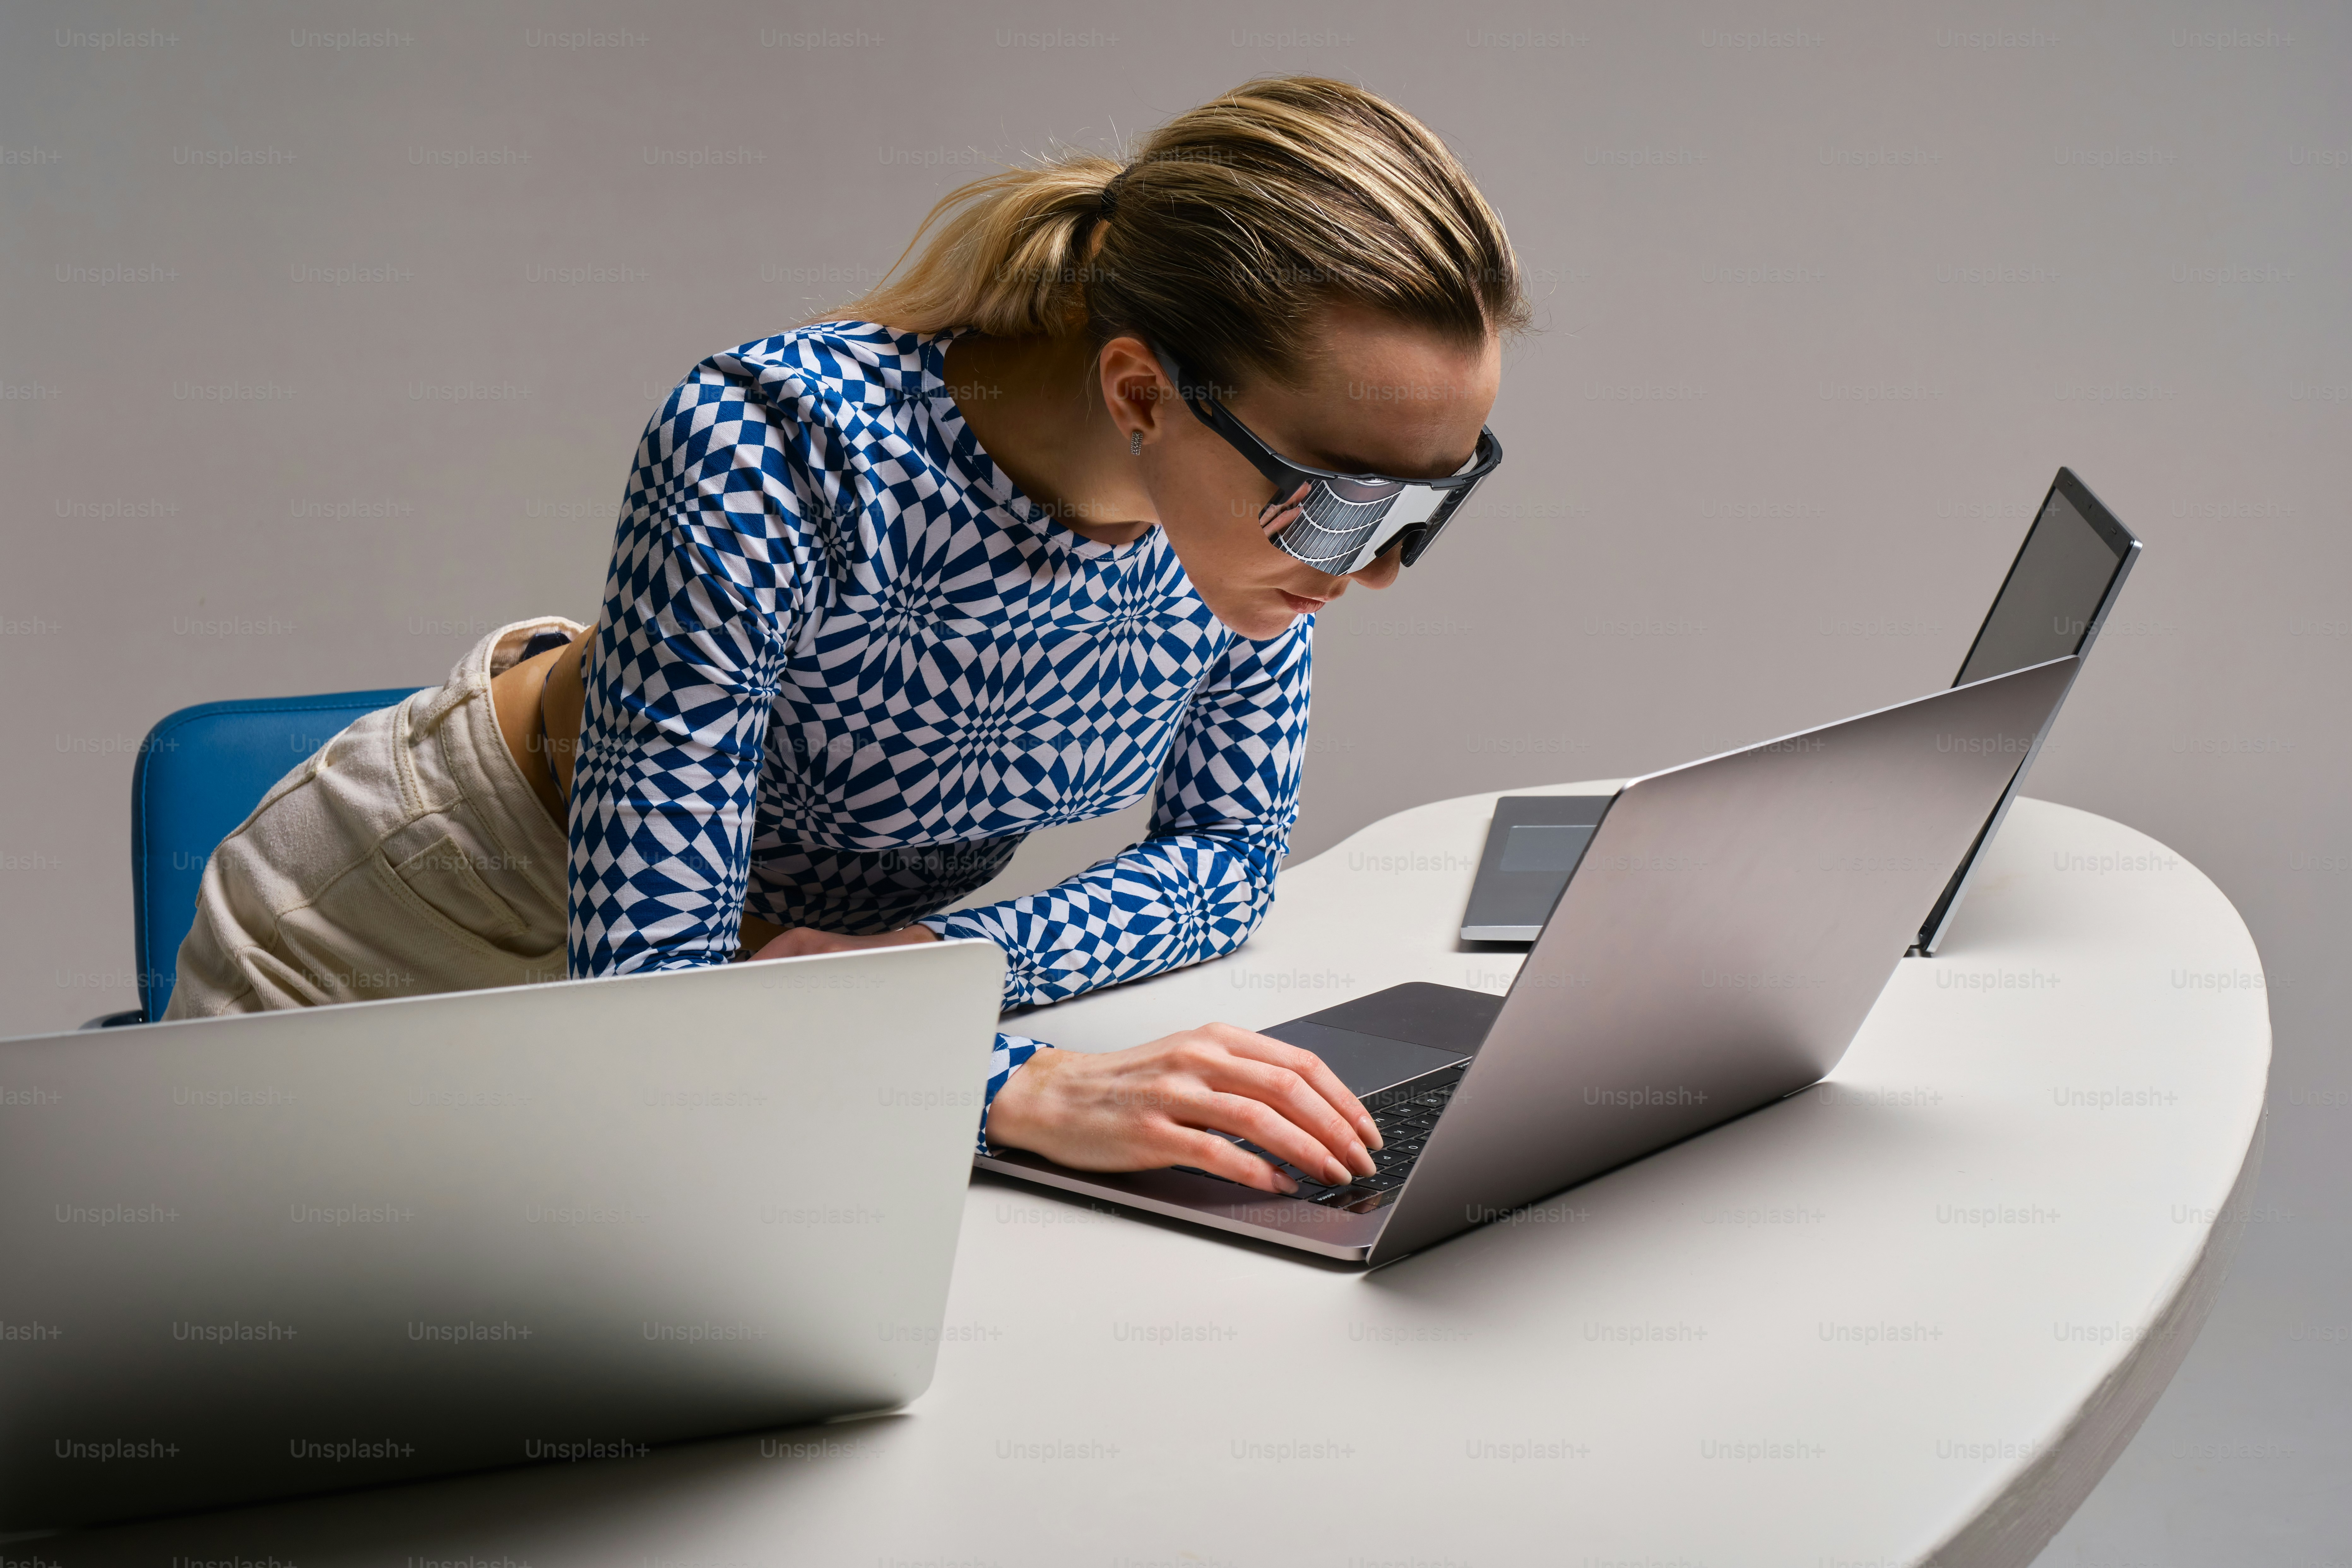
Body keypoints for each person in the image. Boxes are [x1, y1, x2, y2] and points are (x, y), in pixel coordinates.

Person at [167, 75, 1525, 1196]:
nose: (1383, 569)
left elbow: (1228, 861)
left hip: (766, 999)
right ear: (1141, 392)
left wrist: (927, 972)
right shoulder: (779, 445)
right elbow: (651, 997)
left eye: (1433, 500)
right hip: (433, 922)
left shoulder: (1233, 536)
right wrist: (1005, 1080)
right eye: (1351, 501)